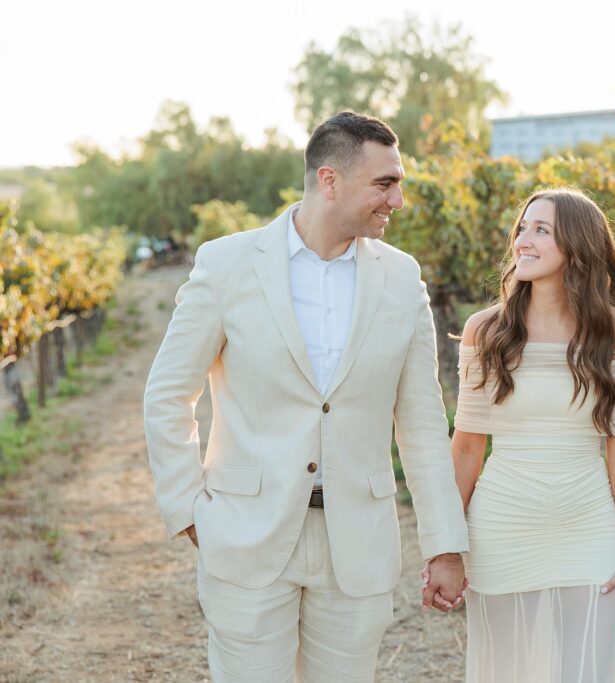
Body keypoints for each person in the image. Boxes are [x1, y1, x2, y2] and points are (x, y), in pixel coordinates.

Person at [144, 111, 469, 683]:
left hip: (357, 544)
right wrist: (188, 509)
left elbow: (421, 422)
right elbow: (170, 392)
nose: (398, 200)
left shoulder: (401, 278)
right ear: (329, 180)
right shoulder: (227, 265)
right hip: (246, 534)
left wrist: (443, 543)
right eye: (385, 183)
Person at [437, 188, 615, 682]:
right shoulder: (485, 331)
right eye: (521, 229)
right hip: (502, 527)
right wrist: (443, 545)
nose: (522, 241)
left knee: (584, 670)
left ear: (578, 246)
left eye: (541, 230)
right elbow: (467, 446)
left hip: (589, 526)